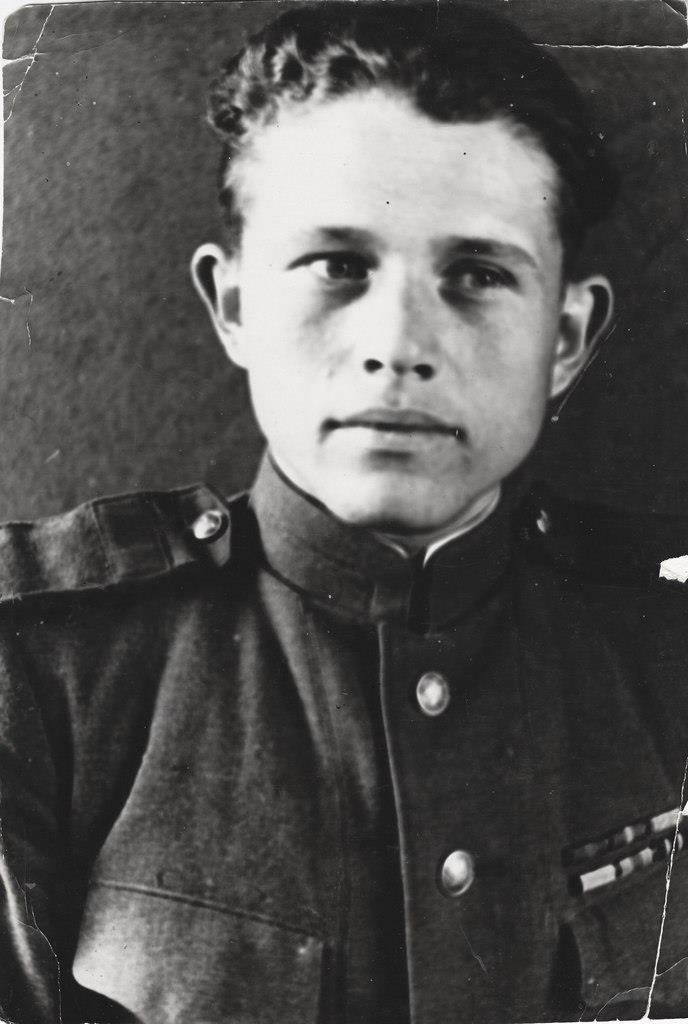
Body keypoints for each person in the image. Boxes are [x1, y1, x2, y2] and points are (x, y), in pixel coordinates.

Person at [2, 3, 688, 1022]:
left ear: (566, 339)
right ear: (234, 305)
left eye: (477, 275)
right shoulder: (45, 677)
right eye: (339, 266)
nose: (397, 345)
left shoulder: (665, 658)